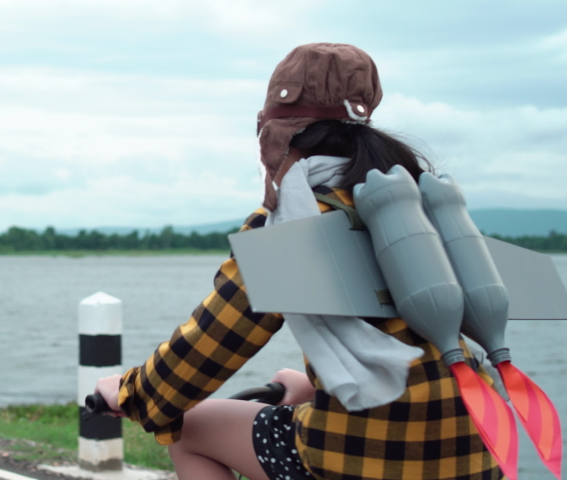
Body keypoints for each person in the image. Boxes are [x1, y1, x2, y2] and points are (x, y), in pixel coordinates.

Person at [95, 43, 503, 480]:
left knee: (190, 429)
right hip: (480, 447)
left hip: (367, 462)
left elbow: (216, 340)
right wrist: (313, 386)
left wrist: (134, 392)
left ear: (277, 133)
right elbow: (414, 339)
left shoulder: (296, 223)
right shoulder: (415, 207)